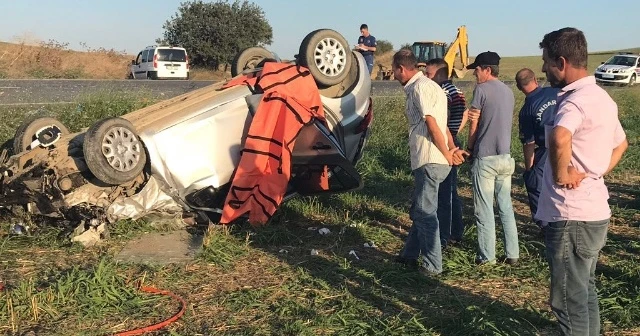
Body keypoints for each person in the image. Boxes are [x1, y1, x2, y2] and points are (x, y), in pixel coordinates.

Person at [536, 27, 628, 336]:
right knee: (584, 290)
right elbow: (621, 144)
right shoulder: (601, 98)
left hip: (571, 215)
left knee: (567, 300)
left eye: (547, 61)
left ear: (561, 62)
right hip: (593, 212)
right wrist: (596, 172)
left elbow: (560, 137)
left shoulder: (574, 101)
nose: (544, 68)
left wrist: (563, 175)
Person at [391, 49, 455, 276]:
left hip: (429, 157)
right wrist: (451, 147)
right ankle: (409, 255)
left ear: (401, 68)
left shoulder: (420, 88)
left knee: (425, 212)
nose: (393, 75)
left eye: (394, 70)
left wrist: (446, 153)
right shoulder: (429, 87)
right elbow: (443, 124)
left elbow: (432, 124)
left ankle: (433, 265)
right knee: (421, 210)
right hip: (433, 157)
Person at [456, 51, 520, 265]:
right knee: (505, 206)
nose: (475, 73)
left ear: (487, 70)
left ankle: (487, 257)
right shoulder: (509, 91)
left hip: (486, 157)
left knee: (483, 209)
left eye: (477, 69)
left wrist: (470, 148)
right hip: (506, 157)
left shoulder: (481, 90)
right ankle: (513, 254)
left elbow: (474, 121)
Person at [424, 58, 468, 247]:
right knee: (452, 190)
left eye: (429, 74)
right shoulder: (458, 92)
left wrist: (447, 140)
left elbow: (441, 120)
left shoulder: (441, 93)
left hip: (444, 143)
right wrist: (456, 132)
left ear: (440, 74)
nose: (426, 78)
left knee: (442, 194)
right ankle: (456, 232)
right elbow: (465, 114)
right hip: (454, 140)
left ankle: (443, 235)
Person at [515, 68, 560, 230]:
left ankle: (545, 225)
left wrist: (529, 168)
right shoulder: (555, 91)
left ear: (519, 88)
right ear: (535, 79)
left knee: (535, 184)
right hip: (569, 145)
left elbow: (529, 143)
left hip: (545, 150)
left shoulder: (526, 110)